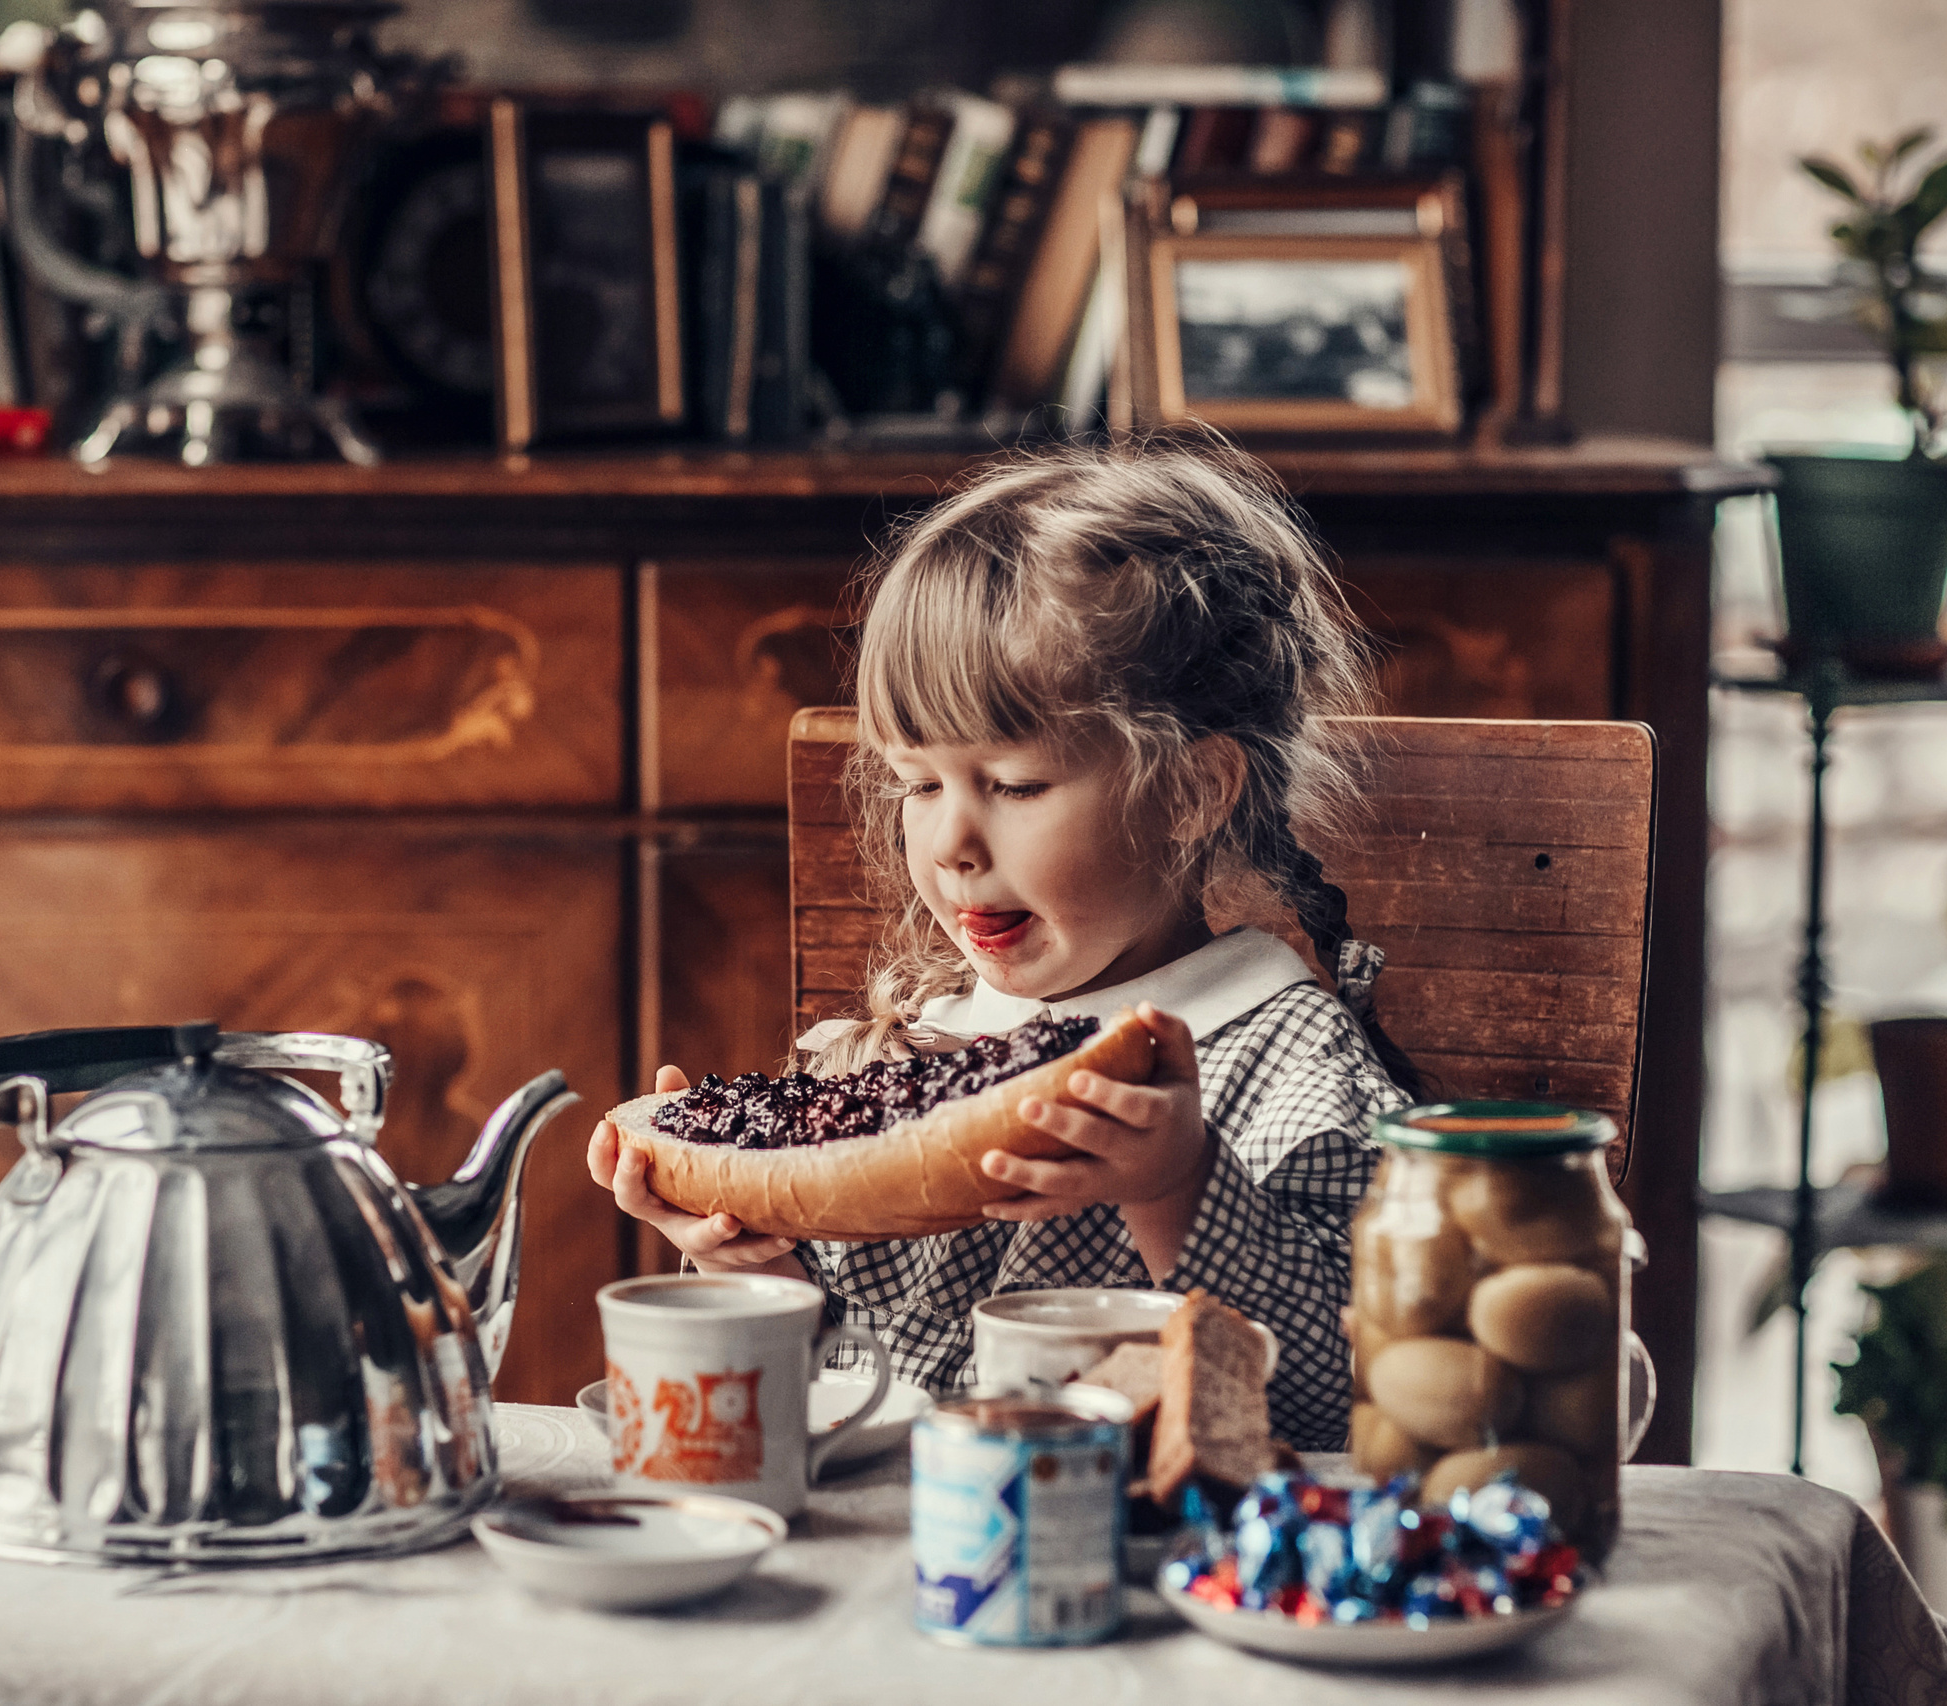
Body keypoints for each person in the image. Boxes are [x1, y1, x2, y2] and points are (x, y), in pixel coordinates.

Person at [586, 436, 1420, 1450]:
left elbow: (1359, 1398)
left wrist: (1177, 1183)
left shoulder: (1295, 1067)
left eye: (1015, 785)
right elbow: (843, 1385)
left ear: (1193, 791)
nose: (951, 843)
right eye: (918, 784)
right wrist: (750, 1267)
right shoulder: (906, 1049)